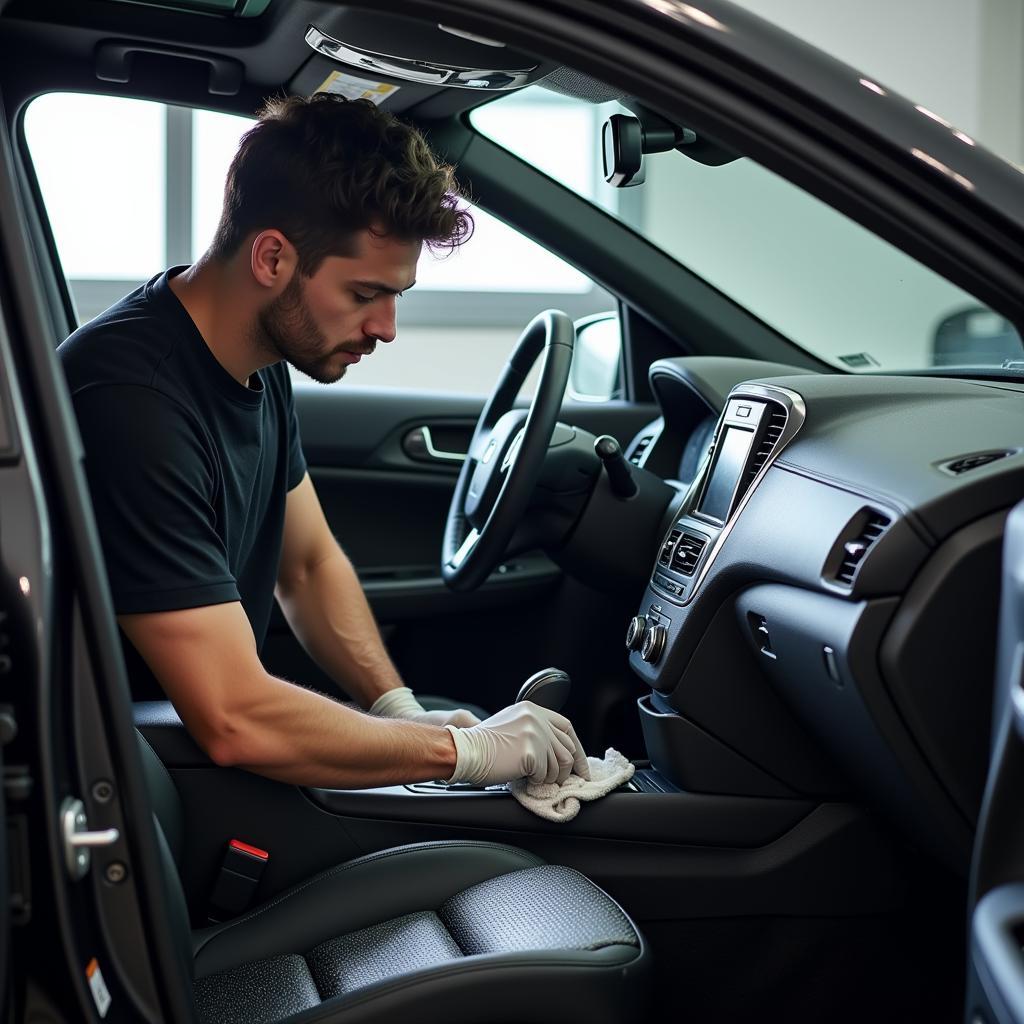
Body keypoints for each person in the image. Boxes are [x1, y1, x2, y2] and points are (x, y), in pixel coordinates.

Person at [59, 94, 589, 791]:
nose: (387, 328)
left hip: (186, 766)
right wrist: (468, 755)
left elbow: (307, 567)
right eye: (367, 293)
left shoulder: (256, 353)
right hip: (136, 785)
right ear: (273, 258)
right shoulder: (133, 400)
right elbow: (233, 718)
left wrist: (399, 709)